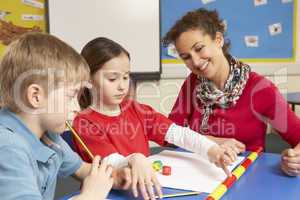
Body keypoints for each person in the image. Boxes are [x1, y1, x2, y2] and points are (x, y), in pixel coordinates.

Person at [72, 37, 238, 200]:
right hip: (105, 195)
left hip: (144, 191)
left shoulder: (137, 110)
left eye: (126, 77)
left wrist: (211, 150)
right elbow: (111, 161)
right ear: (88, 80)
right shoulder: (84, 122)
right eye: (113, 79)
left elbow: (178, 133)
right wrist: (135, 159)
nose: (122, 85)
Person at [163, 8, 300, 176]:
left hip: (245, 178)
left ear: (218, 40)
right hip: (196, 174)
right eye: (186, 57)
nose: (196, 62)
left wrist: (295, 161)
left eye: (199, 49)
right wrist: (211, 143)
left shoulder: (261, 89)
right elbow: (168, 134)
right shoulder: (192, 83)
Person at [0, 32, 130, 200]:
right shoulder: (8, 148)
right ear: (36, 96)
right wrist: (90, 196)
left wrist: (115, 176)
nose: (77, 108)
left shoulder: (49, 136)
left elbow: (81, 169)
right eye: (71, 97)